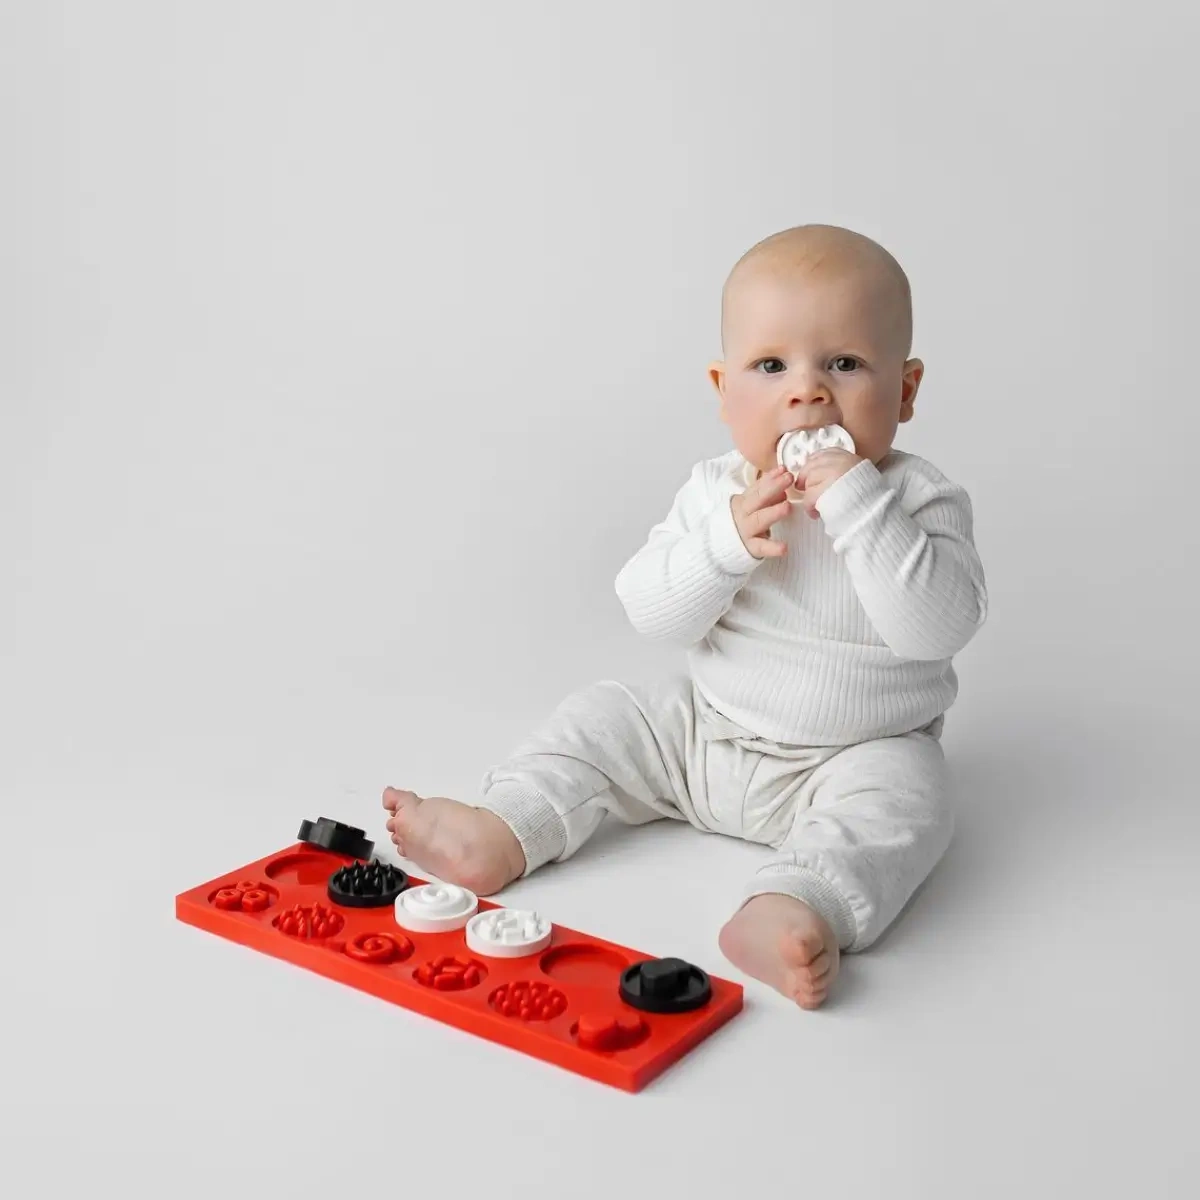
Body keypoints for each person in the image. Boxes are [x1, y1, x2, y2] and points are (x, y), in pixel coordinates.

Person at [384, 224, 988, 1008]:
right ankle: (506, 825)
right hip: (706, 736)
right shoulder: (716, 491)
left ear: (905, 391)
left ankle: (795, 903)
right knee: (608, 714)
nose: (806, 392)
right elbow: (651, 612)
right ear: (723, 389)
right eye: (770, 366)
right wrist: (725, 543)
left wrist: (859, 504)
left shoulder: (917, 499)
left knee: (913, 800)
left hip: (855, 757)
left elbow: (935, 628)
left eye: (843, 363)